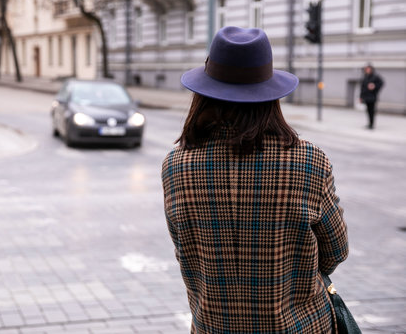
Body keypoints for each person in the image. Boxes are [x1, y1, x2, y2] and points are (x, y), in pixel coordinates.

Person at [162, 27, 349, 333]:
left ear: (203, 94)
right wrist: (296, 273)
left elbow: (185, 250)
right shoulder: (309, 161)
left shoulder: (175, 164)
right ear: (270, 94)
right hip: (299, 327)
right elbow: (336, 251)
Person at [359, 64, 384, 129]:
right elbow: (362, 88)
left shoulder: (375, 77)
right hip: (366, 97)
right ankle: (369, 123)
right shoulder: (365, 77)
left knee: (372, 111)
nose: (367, 70)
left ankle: (372, 124)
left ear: (371, 70)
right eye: (366, 69)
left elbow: (381, 83)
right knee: (367, 111)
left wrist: (374, 86)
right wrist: (361, 97)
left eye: (368, 69)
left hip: (372, 97)